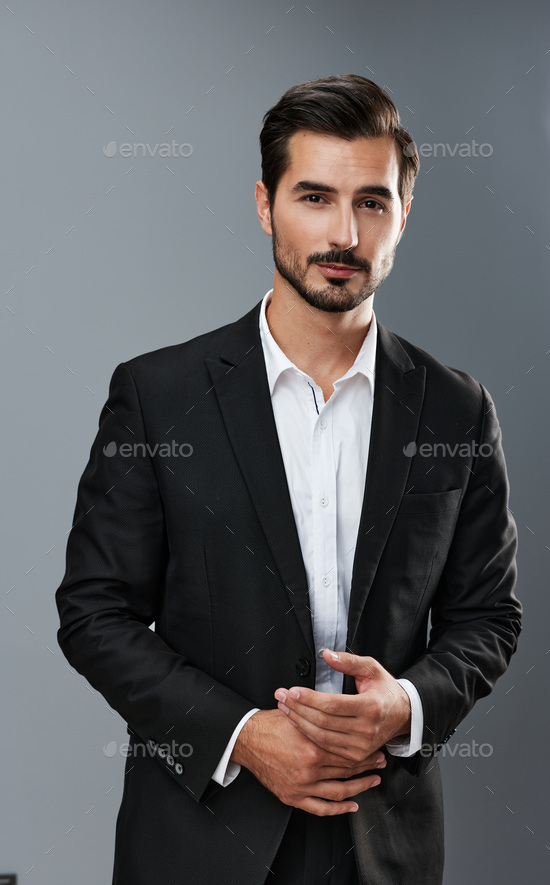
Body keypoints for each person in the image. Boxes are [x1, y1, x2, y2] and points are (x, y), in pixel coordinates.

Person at [55, 74, 522, 885]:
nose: (344, 232)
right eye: (315, 196)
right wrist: (242, 733)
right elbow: (94, 614)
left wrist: (404, 708)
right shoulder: (159, 397)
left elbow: (488, 616)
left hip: (383, 844)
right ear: (266, 204)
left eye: (372, 202)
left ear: (404, 215)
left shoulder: (456, 408)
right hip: (201, 839)